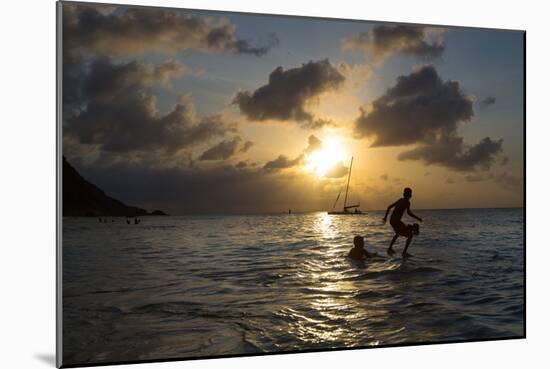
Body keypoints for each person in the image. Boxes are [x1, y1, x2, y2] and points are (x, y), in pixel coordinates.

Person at [383, 187, 422, 257]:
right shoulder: (407, 202)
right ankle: (403, 252)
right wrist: (418, 218)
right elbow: (409, 213)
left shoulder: (400, 200)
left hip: (392, 220)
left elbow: (389, 207)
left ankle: (390, 248)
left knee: (398, 233)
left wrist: (385, 217)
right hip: (396, 221)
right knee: (410, 235)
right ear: (410, 195)